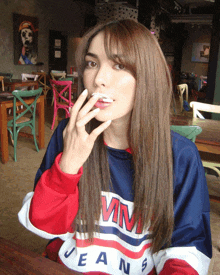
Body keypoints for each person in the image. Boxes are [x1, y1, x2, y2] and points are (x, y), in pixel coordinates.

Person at [18, 19, 212, 274]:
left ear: (147, 77)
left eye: (119, 65)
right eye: (92, 63)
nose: (99, 79)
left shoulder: (180, 156)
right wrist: (68, 166)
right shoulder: (69, 134)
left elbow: (186, 251)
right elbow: (44, 227)